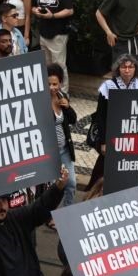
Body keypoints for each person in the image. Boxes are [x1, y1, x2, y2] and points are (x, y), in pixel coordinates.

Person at [87, 54, 138, 189]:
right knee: (102, 166)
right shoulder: (108, 87)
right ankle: (91, 192)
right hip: (110, 134)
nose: (128, 70)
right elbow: (101, 116)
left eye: (131, 67)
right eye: (124, 67)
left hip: (127, 135)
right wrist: (103, 142)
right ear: (118, 69)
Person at [48, 63, 78, 209]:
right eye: (49, 84)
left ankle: (67, 214)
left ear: (60, 83)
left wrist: (67, 107)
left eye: (55, 84)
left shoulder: (62, 96)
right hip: (49, 152)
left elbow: (73, 119)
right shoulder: (40, 100)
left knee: (71, 183)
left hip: (64, 150)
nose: (52, 88)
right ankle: (48, 215)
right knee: (53, 187)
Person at [32, 0, 74, 94]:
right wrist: (36, 11)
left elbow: (70, 10)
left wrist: (52, 16)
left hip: (58, 33)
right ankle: (50, 92)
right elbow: (33, 6)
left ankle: (63, 94)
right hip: (43, 32)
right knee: (47, 65)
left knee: (59, 65)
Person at [96, 0, 138, 64]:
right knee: (120, 72)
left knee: (136, 71)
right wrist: (108, 32)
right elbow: (99, 13)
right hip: (120, 42)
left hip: (135, 41)